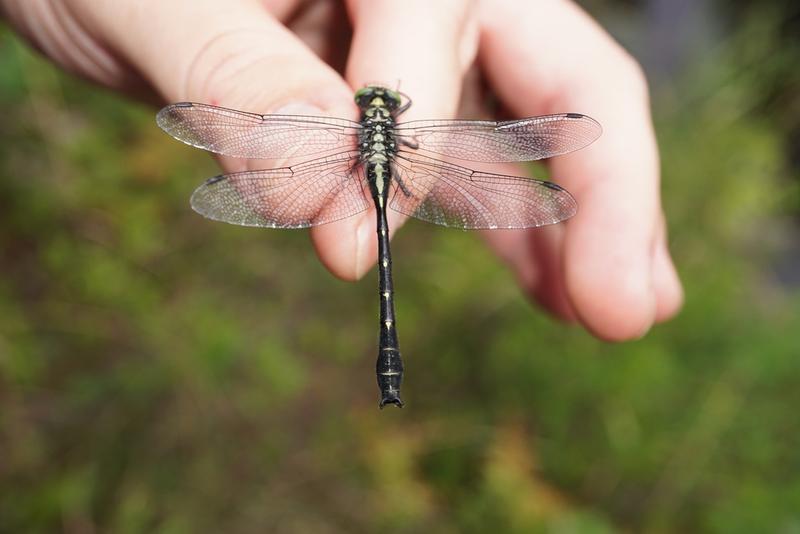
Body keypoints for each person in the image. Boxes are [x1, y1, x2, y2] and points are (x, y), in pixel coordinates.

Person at [0, 0, 683, 341]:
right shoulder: (399, 129)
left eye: (382, 101)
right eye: (376, 101)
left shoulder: (366, 131)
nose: (379, 103)